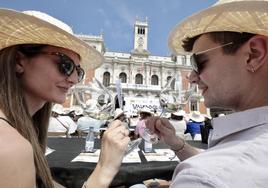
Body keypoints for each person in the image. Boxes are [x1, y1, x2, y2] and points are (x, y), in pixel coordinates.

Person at [0, 8, 129, 188]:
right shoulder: (10, 148)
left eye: (79, 71)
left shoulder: (22, 132)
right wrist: (105, 168)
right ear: (19, 61)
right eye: (65, 65)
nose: (74, 79)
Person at [146, 0, 268, 187]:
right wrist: (177, 144)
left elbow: (216, 169)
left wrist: (104, 171)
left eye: (198, 62)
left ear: (254, 54)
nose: (192, 77)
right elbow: (224, 161)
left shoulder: (200, 178)